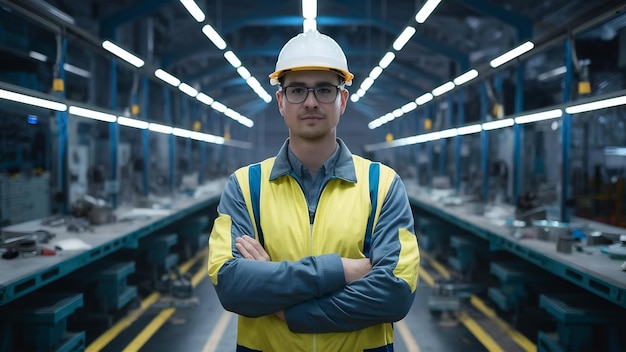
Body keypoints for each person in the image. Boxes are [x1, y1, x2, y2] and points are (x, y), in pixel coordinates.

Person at [208, 29, 420, 352]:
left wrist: (284, 305)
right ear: (281, 101)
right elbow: (231, 285)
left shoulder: (382, 186)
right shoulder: (245, 188)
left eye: (324, 89)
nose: (310, 102)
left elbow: (396, 292)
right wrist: (342, 270)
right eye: (296, 90)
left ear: (342, 100)